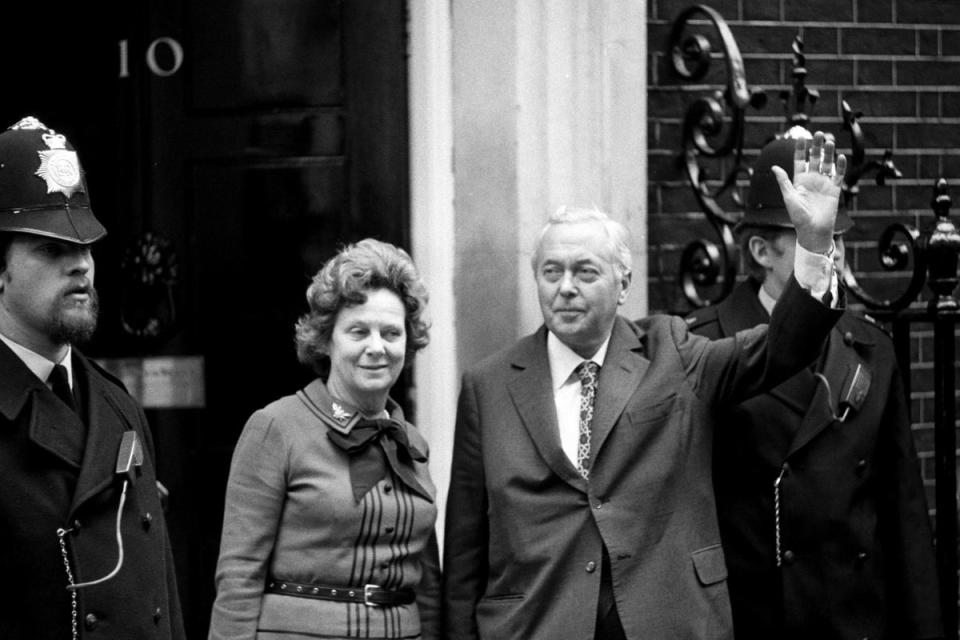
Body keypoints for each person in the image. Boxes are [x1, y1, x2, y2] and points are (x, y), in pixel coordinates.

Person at [443, 132, 847, 640]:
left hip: (666, 621)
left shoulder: (672, 353)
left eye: (585, 271)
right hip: (533, 625)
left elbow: (780, 350)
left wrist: (812, 246)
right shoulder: (489, 385)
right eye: (551, 272)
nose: (565, 287)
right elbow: (463, 554)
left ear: (624, 283)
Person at [685, 135, 943, 640]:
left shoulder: (871, 347)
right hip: (755, 617)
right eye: (809, 237)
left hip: (854, 618)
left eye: (835, 237)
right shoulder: (706, 347)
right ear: (761, 249)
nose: (831, 251)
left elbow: (903, 512)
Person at [0, 116, 186, 639]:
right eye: (52, 249)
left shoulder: (117, 404)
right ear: (1, 269)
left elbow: (163, 598)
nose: (81, 265)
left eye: (84, 247)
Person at [208, 238, 441, 640]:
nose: (376, 347)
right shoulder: (276, 428)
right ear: (326, 339)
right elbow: (238, 578)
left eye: (391, 332)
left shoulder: (411, 444)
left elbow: (428, 586)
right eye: (358, 331)